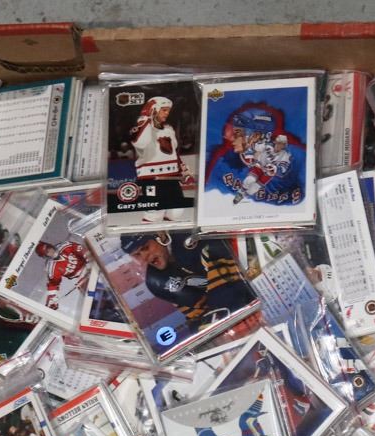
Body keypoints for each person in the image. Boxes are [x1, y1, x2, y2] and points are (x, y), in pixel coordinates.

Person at [120, 234, 255, 334]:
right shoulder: (155, 281)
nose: (144, 257)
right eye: (137, 255)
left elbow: (230, 294)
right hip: (235, 315)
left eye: (145, 248)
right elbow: (199, 318)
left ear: (160, 236)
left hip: (252, 289)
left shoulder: (191, 238)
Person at [127, 96, 192, 223]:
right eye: (164, 110)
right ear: (153, 109)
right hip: (152, 179)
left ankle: (165, 233)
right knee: (154, 212)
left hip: (171, 177)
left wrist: (184, 171)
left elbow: (173, 154)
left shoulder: (169, 129)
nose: (167, 113)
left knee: (176, 211)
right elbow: (141, 142)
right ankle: (151, 234)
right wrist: (146, 117)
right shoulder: (141, 129)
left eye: (168, 110)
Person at [34, 239, 90, 310]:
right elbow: (53, 284)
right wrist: (51, 298)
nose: (51, 251)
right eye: (47, 252)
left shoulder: (65, 246)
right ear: (45, 256)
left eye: (49, 248)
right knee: (91, 295)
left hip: (89, 265)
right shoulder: (51, 268)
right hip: (80, 278)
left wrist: (90, 263)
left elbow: (82, 250)